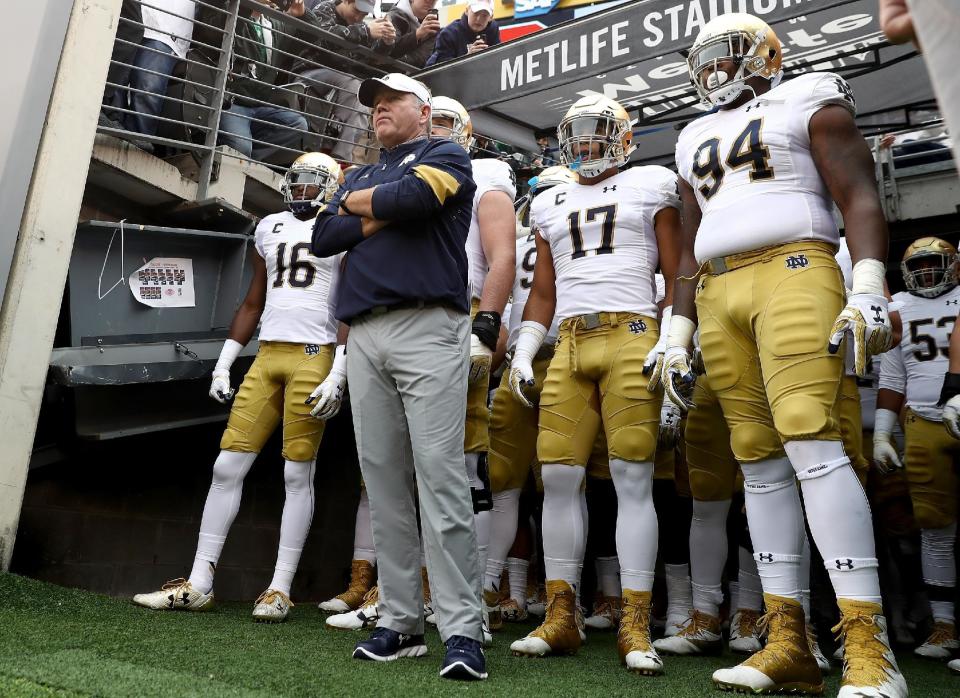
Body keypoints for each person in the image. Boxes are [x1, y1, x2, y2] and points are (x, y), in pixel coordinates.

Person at [663, 12, 906, 697]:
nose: (715, 70)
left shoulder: (806, 97)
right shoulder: (687, 135)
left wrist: (868, 282)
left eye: (729, 55)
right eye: (706, 59)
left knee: (811, 442)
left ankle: (870, 646)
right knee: (759, 463)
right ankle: (787, 640)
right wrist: (675, 330)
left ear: (766, 56)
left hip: (796, 266)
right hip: (717, 290)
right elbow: (685, 244)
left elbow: (858, 192)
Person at [311, 73, 486, 681]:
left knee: (441, 481)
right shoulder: (362, 172)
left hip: (429, 325)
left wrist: (369, 203)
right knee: (382, 482)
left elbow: (413, 203)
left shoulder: (447, 151)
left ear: (424, 110)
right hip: (364, 332)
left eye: (391, 101)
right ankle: (401, 622)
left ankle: (464, 629)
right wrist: (382, 204)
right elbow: (322, 234)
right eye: (373, 104)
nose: (379, 109)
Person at [506, 94, 682, 677]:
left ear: (622, 137)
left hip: (634, 331)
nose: (585, 144)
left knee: (633, 478)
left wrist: (675, 337)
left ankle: (635, 618)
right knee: (557, 476)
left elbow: (676, 269)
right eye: (576, 135)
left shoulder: (652, 184)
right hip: (572, 341)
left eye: (595, 133)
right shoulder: (549, 201)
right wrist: (527, 348)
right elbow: (545, 290)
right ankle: (562, 612)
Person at [131, 153, 346, 623]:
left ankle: (279, 588)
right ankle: (199, 581)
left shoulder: (344, 226)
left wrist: (340, 369)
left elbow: (350, 301)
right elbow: (254, 299)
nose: (302, 190)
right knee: (227, 465)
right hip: (267, 355)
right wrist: (224, 363)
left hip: (316, 353)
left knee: (296, 474)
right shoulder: (268, 226)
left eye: (312, 184)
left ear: (330, 187)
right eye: (298, 182)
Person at [430, 96, 516, 636]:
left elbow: (501, 256)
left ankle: (469, 597)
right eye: (430, 121)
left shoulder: (484, 177)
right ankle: (417, 589)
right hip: (409, 321)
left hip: (457, 320)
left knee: (465, 468)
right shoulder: (405, 175)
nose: (436, 131)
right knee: (414, 467)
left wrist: (485, 326)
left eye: (445, 124)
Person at [874, 238, 960, 665]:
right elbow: (892, 376)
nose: (927, 272)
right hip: (923, 422)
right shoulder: (899, 307)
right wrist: (883, 434)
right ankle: (943, 623)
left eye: (935, 263)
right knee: (932, 527)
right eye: (920, 264)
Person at [195, 0, 311, 162]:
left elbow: (313, 38)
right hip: (232, 103)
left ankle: (248, 162)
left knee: (298, 124)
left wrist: (301, 13)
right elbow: (221, 27)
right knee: (242, 147)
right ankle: (241, 158)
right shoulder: (233, 10)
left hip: (260, 106)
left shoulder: (274, 23)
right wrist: (248, 4)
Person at [296, 0, 396, 162]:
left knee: (358, 91)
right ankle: (342, 156)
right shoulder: (325, 8)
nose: (358, 17)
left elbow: (373, 57)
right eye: (356, 11)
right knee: (355, 87)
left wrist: (387, 42)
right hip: (308, 72)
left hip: (339, 81)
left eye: (364, 14)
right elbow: (325, 38)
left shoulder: (360, 27)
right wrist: (365, 30)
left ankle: (340, 155)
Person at [124, 0, 197, 138]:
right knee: (115, 78)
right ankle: (112, 129)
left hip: (166, 30)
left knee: (147, 87)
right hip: (129, 15)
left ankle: (137, 143)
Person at [424, 0, 500, 66]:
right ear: (467, 11)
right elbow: (441, 69)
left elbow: (499, 58)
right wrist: (467, 58)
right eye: (475, 13)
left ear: (491, 17)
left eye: (484, 15)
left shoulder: (493, 29)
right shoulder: (448, 33)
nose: (479, 19)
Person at [380, 0, 442, 68]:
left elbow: (422, 59)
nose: (430, 1)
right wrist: (417, 34)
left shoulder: (431, 25)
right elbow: (390, 50)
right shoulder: (394, 16)